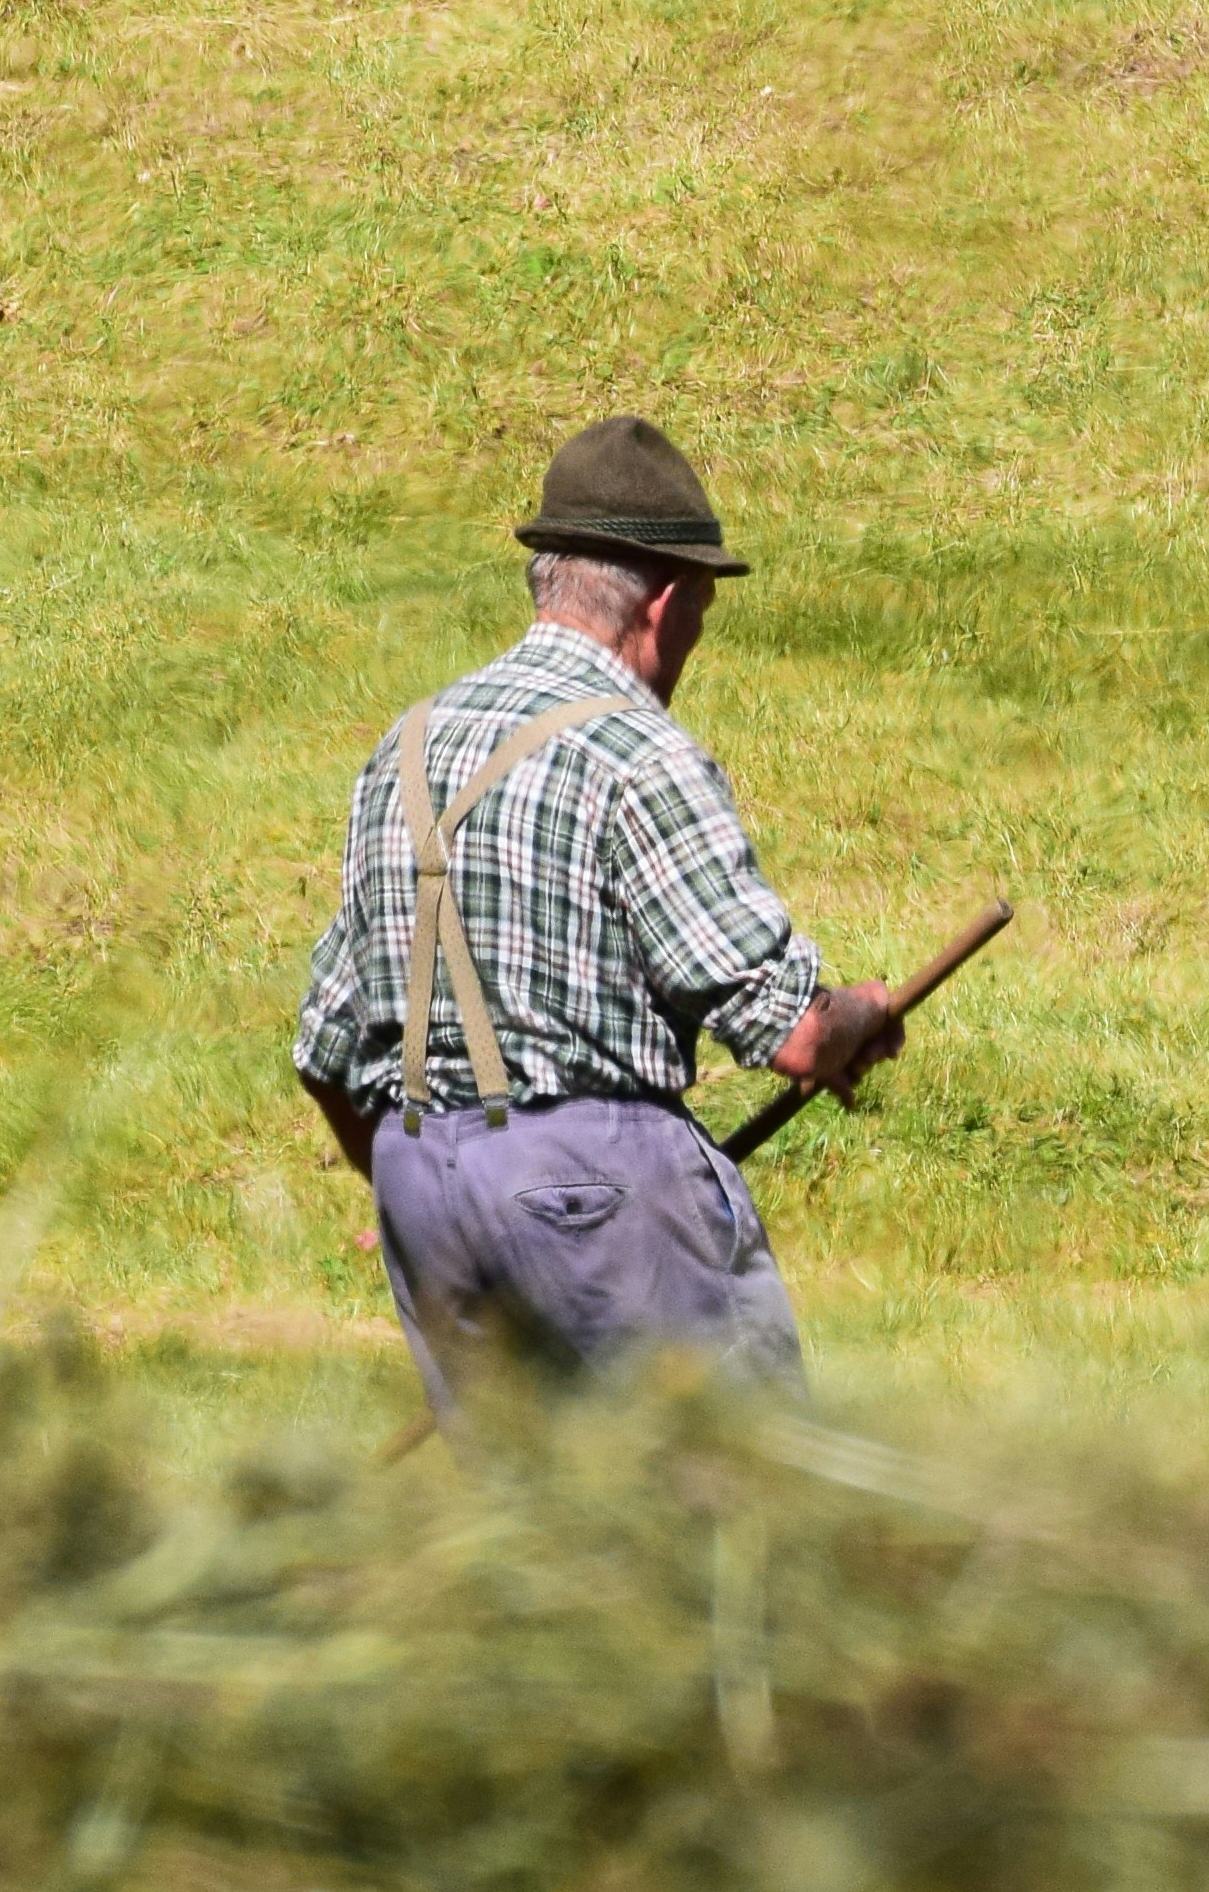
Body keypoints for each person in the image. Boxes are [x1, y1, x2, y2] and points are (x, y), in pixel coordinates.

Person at [289, 416, 907, 1416]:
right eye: (701, 609)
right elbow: (792, 1033)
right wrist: (863, 1014)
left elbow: (325, 1052)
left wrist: (434, 1178)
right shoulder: (638, 752)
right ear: (663, 603)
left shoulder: (403, 750)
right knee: (736, 1496)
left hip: (423, 1184)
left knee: (537, 1537)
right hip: (599, 1184)